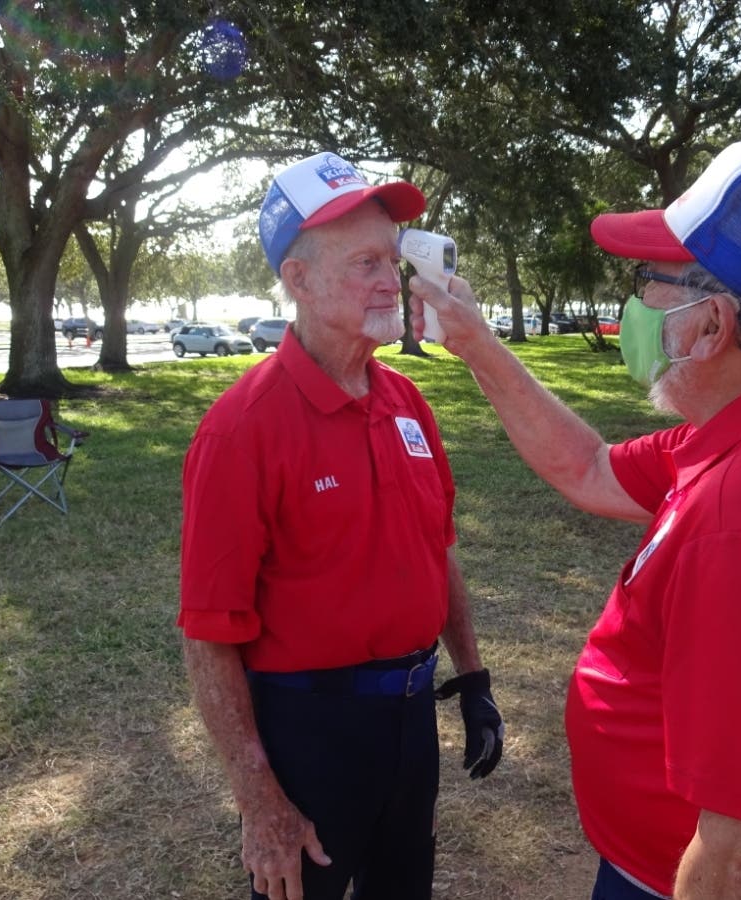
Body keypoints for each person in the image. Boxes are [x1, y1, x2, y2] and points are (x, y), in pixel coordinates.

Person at [410, 141, 741, 899]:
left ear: (710, 325)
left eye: (647, 281)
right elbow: (589, 468)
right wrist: (476, 342)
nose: (635, 307)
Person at [178, 152, 503, 900]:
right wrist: (260, 802)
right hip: (309, 734)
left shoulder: (407, 402)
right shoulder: (242, 430)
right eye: (365, 263)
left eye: (392, 259)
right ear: (299, 280)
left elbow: (437, 549)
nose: (392, 280)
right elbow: (208, 635)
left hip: (411, 719)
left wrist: (472, 675)